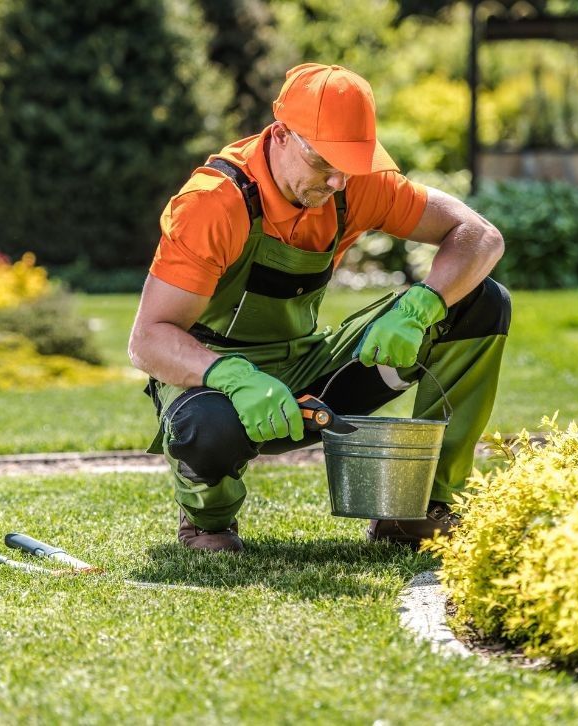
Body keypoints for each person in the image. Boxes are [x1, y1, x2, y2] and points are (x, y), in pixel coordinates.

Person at [128, 63, 510, 553]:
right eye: (324, 162)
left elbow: (480, 236)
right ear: (282, 134)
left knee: (481, 301)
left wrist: (422, 305)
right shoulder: (213, 203)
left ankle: (421, 510)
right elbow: (149, 339)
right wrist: (234, 377)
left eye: (348, 165)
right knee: (206, 428)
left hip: (312, 371)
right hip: (214, 385)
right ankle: (208, 522)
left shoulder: (354, 183)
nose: (336, 181)